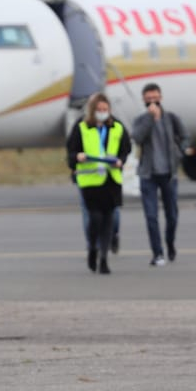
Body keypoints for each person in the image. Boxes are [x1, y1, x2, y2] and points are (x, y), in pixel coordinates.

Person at [66, 93, 130, 274]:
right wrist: (77, 157)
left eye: (105, 110)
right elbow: (71, 152)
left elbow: (126, 149)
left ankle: (104, 258)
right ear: (92, 111)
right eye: (99, 110)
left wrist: (121, 160)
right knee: (94, 218)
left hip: (111, 180)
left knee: (109, 218)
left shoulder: (117, 127)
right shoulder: (82, 127)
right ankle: (92, 248)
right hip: (91, 181)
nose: (102, 113)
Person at [130, 82, 190, 266]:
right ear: (143, 101)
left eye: (155, 98)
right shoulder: (141, 120)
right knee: (151, 216)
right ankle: (157, 253)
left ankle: (170, 243)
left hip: (169, 173)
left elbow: (185, 137)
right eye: (148, 100)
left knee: (172, 215)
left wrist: (180, 151)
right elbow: (137, 137)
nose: (152, 102)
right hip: (148, 174)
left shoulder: (171, 118)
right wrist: (150, 118)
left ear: (161, 98)